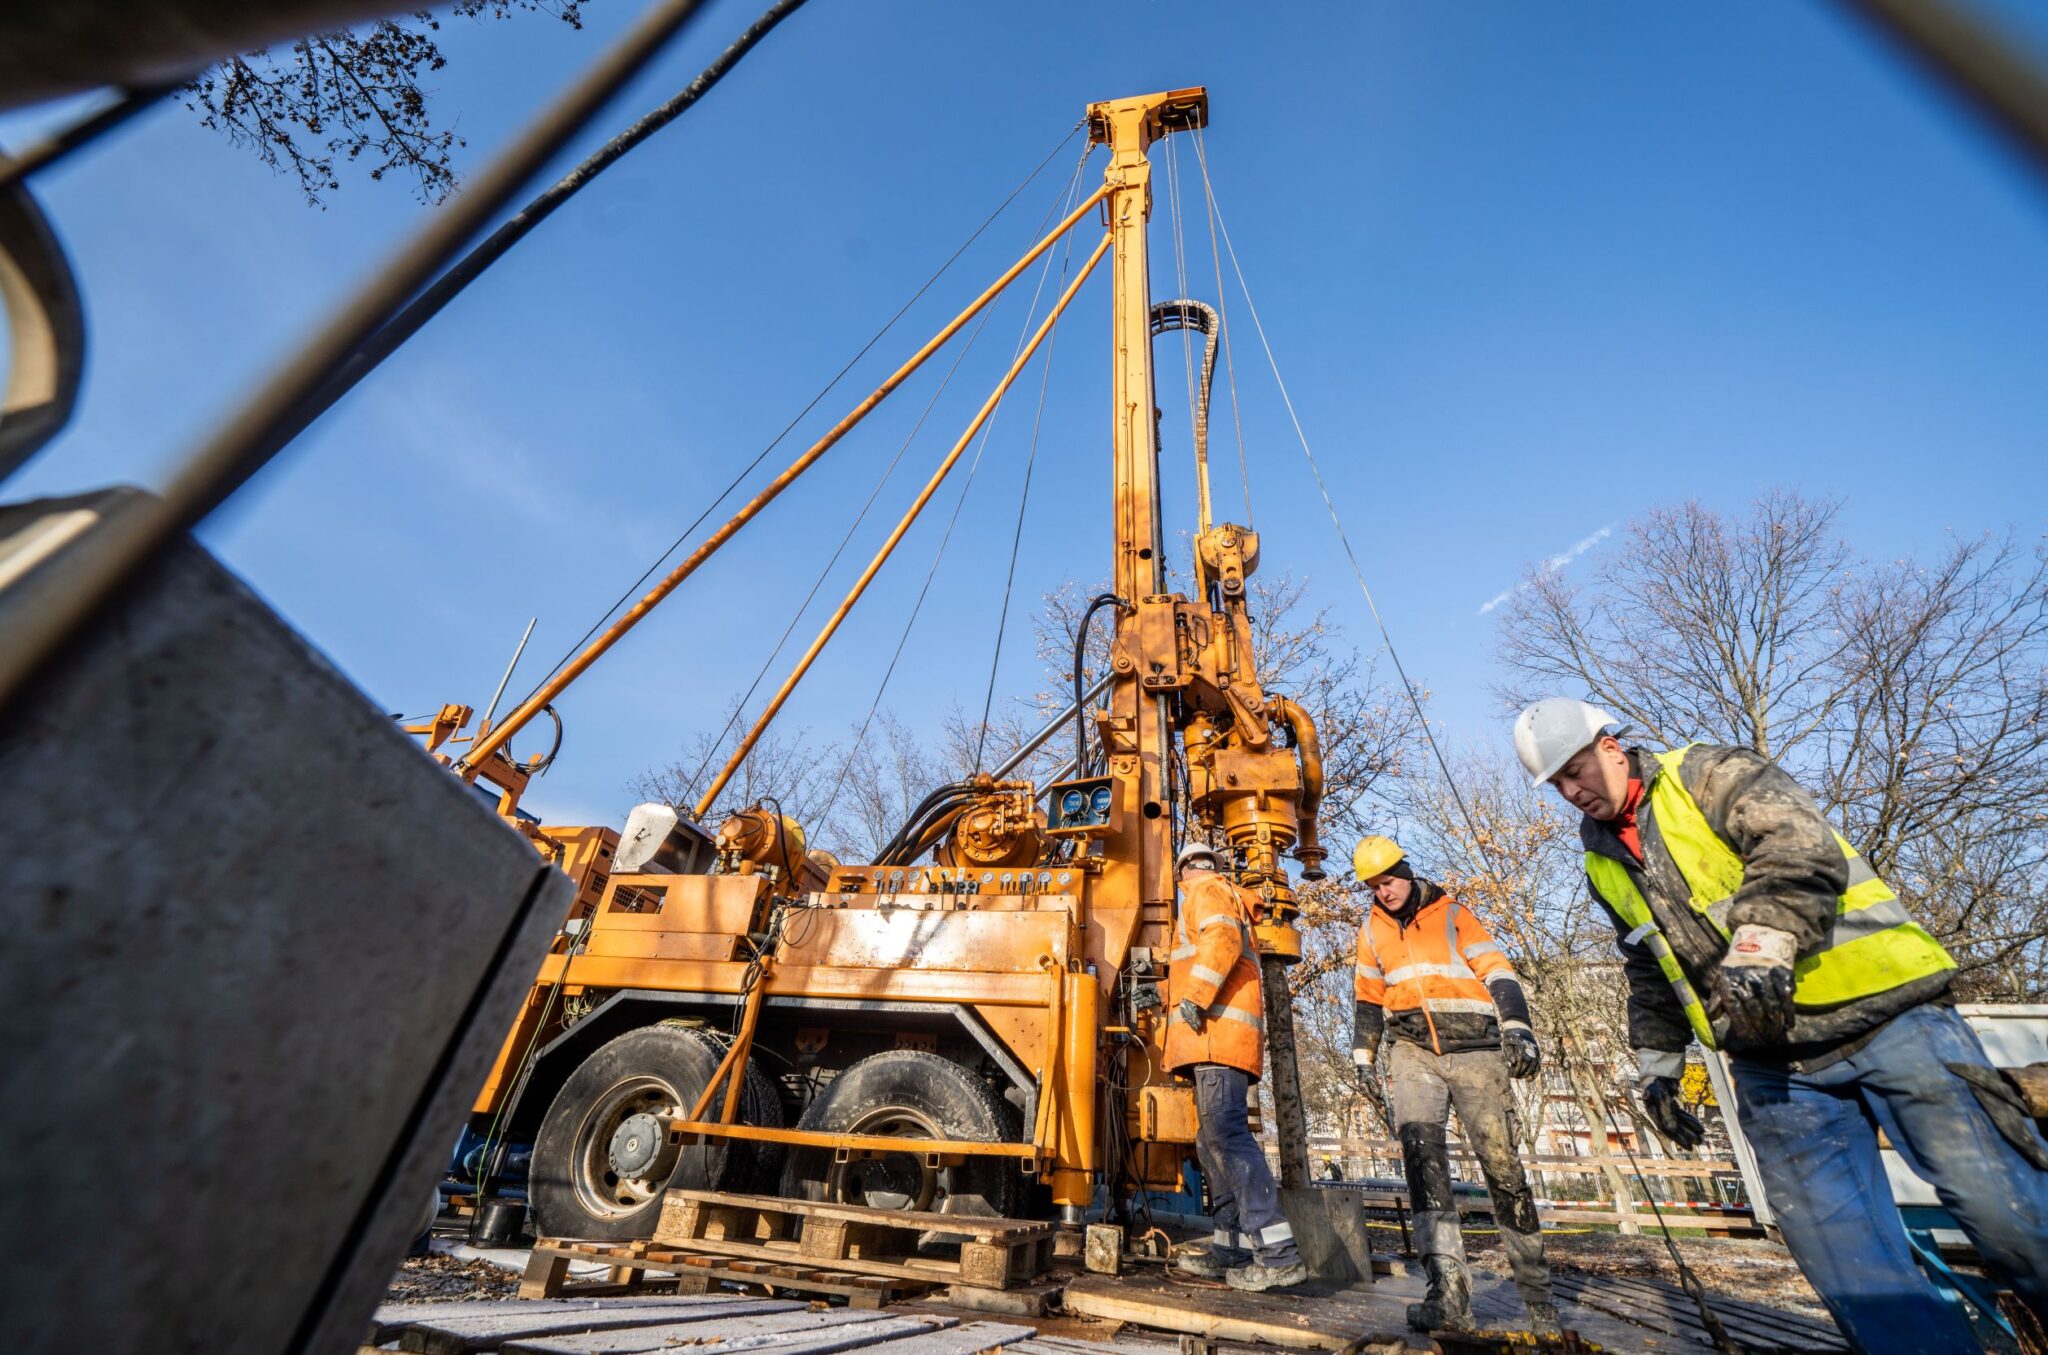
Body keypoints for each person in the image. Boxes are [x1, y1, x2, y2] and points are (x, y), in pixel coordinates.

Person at [1515, 696, 2048, 1354]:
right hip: (1774, 1066)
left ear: (1611, 746)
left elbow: (1798, 849)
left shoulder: (1708, 774)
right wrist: (1658, 1073)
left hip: (1890, 1016)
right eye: (1559, 783)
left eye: (1577, 770)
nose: (1573, 791)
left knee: (2008, 1216)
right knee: (1853, 1270)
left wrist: (1762, 945)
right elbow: (1649, 969)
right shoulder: (1600, 860)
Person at [1351, 835, 1560, 1335]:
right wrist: (1364, 1056)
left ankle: (1538, 1299)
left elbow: (1498, 970)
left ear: (1406, 871)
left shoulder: (1453, 914)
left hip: (1476, 1053)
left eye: (1389, 881)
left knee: (1503, 1167)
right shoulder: (1372, 930)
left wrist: (1517, 1028)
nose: (1384, 892)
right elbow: (1366, 997)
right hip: (1413, 1052)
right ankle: (1448, 1295)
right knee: (1423, 1166)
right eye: (1374, 886)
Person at [1165, 841, 1307, 1293]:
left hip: (1216, 1036)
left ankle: (1279, 1256)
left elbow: (1221, 940)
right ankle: (1231, 1246)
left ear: (1183, 870)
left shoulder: (1205, 891)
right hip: (1213, 1040)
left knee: (1227, 1138)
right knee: (1210, 1143)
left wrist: (1195, 997)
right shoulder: (1221, 892)